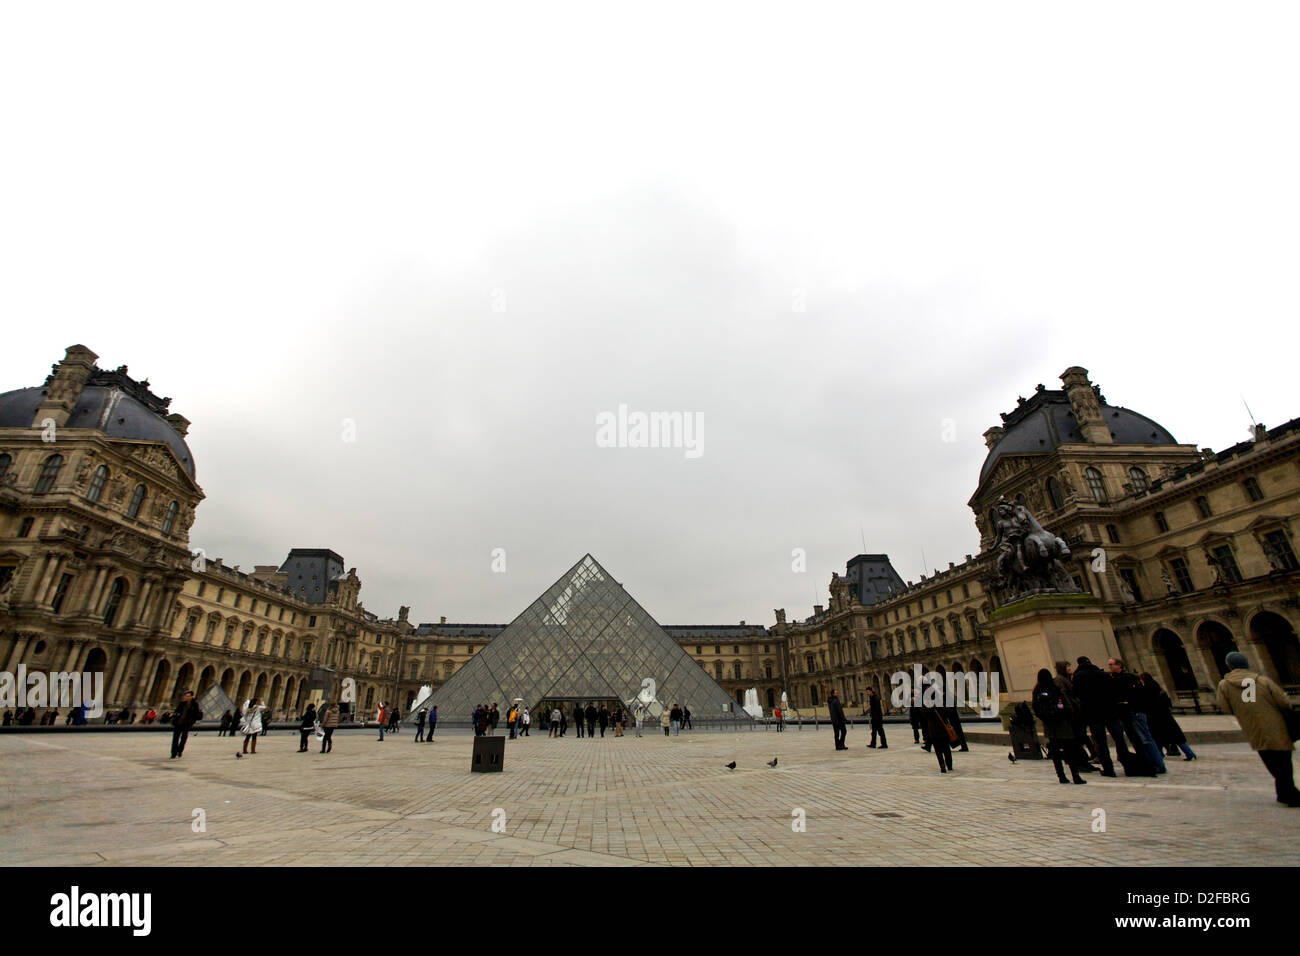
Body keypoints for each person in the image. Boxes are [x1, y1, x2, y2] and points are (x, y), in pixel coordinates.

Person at [1216, 651, 1299, 806]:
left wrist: (1243, 710)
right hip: (1275, 726)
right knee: (1283, 761)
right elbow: (1283, 702)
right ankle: (1289, 794)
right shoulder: (1262, 681)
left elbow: (1225, 708)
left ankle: (1285, 793)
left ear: (1229, 666)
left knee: (1270, 760)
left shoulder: (1224, 685)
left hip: (1252, 728)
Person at [1108, 657, 1166, 774]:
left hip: (1135, 712)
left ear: (1119, 665)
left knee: (1145, 739)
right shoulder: (1118, 678)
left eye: (1111, 664)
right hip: (1126, 714)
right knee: (1137, 740)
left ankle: (1158, 765)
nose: (1110, 667)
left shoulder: (1128, 678)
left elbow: (1135, 695)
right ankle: (1147, 763)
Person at [1032, 668, 1087, 785]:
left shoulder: (1037, 691)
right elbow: (1068, 706)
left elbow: (1036, 709)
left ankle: (1061, 776)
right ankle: (1075, 776)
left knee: (1055, 753)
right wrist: (1067, 718)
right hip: (1063, 725)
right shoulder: (1055, 689)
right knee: (1070, 751)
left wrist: (1046, 718)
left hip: (1049, 726)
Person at [1070, 656, 1118, 776]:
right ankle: (1128, 765)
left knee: (1101, 742)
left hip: (1092, 713)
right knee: (1119, 739)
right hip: (1109, 711)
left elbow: (1075, 694)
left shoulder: (1078, 676)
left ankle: (1108, 768)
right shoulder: (1104, 674)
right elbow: (1113, 691)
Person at [1139, 672, 1196, 761]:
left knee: (1157, 738)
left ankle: (1158, 756)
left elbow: (1146, 704)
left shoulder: (1147, 689)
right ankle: (1190, 753)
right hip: (1166, 716)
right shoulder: (1157, 687)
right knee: (1177, 738)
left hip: (1156, 718)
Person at [921, 702, 954, 773]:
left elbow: (923, 715)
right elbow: (949, 712)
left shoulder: (927, 706)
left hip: (933, 731)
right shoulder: (941, 703)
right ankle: (949, 765)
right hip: (944, 729)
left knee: (938, 750)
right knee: (946, 748)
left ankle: (942, 766)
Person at [170, 690, 203, 759]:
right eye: (186, 696)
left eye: (188, 696)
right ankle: (173, 753)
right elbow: (176, 711)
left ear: (192, 696)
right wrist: (174, 714)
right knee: (175, 738)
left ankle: (180, 750)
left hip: (187, 724)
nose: (186, 697)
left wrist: (199, 714)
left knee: (184, 737)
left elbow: (197, 715)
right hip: (178, 723)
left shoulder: (195, 705)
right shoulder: (182, 703)